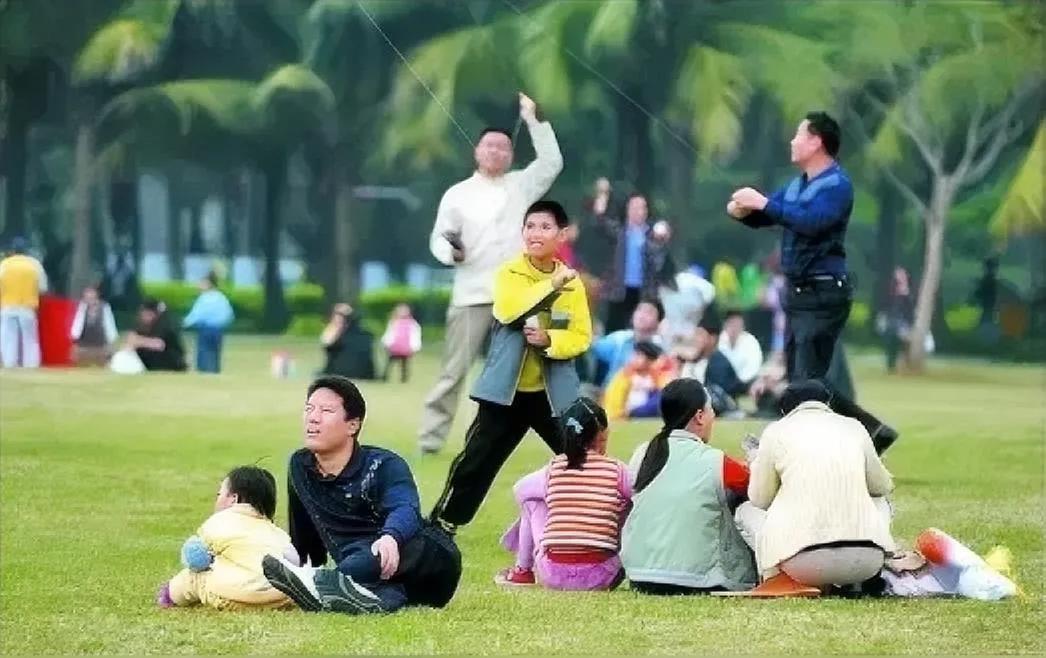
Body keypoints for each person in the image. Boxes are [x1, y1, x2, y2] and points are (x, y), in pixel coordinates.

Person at [727, 110, 898, 453]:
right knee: (805, 381)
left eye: (798, 134)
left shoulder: (837, 185)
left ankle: (785, 450)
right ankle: (871, 432)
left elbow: (811, 222)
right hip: (797, 293)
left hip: (824, 292)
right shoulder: (796, 185)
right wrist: (744, 211)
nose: (792, 141)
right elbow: (772, 213)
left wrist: (761, 202)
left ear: (816, 141)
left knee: (805, 383)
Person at [429, 200, 592, 532]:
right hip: (505, 393)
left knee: (579, 460)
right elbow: (508, 311)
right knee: (476, 461)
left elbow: (581, 336)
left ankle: (590, 527)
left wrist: (551, 341)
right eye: (530, 226)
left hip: (552, 395)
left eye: (545, 227)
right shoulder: (510, 273)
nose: (536, 233)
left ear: (562, 234)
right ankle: (444, 522)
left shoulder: (573, 284)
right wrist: (552, 285)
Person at [419, 92, 563, 455]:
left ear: (511, 155)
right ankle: (431, 440)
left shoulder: (521, 185)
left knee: (513, 375)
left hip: (518, 296)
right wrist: (452, 253)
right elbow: (439, 237)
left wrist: (534, 119)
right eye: (490, 146)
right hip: (472, 292)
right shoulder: (458, 194)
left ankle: (489, 441)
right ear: (477, 151)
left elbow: (551, 162)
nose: (497, 152)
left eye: (503, 147)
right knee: (454, 371)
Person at [262, 376, 461, 614]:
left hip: (423, 560)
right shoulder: (300, 465)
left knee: (369, 558)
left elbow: (405, 507)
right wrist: (292, 560)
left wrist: (391, 537)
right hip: (361, 567)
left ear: (352, 425)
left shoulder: (383, 464)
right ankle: (368, 598)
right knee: (359, 566)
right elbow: (305, 537)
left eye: (326, 410)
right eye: (309, 409)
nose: (313, 417)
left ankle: (322, 584)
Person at [734, 380, 895, 597]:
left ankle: (777, 579)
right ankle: (855, 583)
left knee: (745, 511)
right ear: (827, 403)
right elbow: (883, 486)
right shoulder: (854, 427)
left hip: (804, 564)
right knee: (880, 501)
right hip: (866, 562)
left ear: (784, 410)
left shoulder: (776, 431)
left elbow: (760, 499)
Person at [621, 379, 757, 594]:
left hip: (641, 576)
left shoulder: (642, 454)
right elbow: (757, 489)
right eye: (711, 409)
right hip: (698, 580)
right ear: (700, 416)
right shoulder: (717, 461)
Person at [496, 398, 631, 590]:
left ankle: (522, 571)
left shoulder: (555, 467)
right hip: (602, 575)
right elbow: (639, 494)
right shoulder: (616, 470)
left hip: (552, 574)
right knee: (628, 503)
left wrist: (562, 499)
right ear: (602, 435)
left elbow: (520, 490)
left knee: (533, 502)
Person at [157, 466, 299, 611]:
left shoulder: (221, 521)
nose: (216, 499)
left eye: (219, 494)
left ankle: (169, 596)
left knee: (194, 577)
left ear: (234, 499)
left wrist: (209, 562)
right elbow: (295, 562)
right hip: (278, 598)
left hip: (233, 596)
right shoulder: (277, 533)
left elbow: (194, 558)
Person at [592, 193, 676, 333]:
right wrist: (602, 196)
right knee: (614, 330)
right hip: (619, 291)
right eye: (634, 207)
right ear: (628, 209)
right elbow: (601, 221)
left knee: (641, 330)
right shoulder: (619, 233)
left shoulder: (652, 235)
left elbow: (661, 260)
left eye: (642, 207)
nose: (638, 211)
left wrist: (662, 237)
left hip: (644, 293)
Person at [590, 300, 662, 388]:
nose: (642, 315)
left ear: (658, 323)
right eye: (639, 310)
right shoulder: (619, 338)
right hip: (609, 396)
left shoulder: (660, 352)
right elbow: (594, 347)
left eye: (649, 312)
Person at [0, 236, 48, 368]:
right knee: (30, 340)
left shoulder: (4, 265)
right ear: (26, 250)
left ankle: (10, 365)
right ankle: (31, 366)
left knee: (8, 339)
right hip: (27, 307)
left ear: (12, 251)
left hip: (7, 306)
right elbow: (43, 288)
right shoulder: (34, 265)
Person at [602, 342, 677, 420]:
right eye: (635, 354)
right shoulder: (625, 375)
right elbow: (614, 400)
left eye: (639, 355)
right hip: (627, 414)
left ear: (649, 360)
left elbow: (667, 393)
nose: (634, 358)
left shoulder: (656, 375)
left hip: (650, 413)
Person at [182, 272, 234, 374]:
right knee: (215, 352)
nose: (199, 286)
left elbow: (196, 315)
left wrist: (183, 323)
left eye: (201, 283)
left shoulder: (204, 298)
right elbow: (229, 315)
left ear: (208, 284)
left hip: (205, 329)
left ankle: (205, 371)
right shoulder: (221, 297)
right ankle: (214, 371)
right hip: (218, 330)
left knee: (204, 352)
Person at [125, 298, 186, 372]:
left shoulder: (165, 324)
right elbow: (130, 340)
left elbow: (159, 344)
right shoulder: (141, 324)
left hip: (170, 362)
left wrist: (139, 341)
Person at [321, 304, 376, 380]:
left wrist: (335, 327)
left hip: (340, 373)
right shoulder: (367, 334)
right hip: (364, 375)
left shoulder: (337, 335)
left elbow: (326, 343)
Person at [70, 284, 118, 366]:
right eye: (87, 294)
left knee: (108, 354)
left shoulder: (104, 307)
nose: (89, 296)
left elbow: (110, 328)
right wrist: (75, 343)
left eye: (91, 293)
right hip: (84, 346)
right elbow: (75, 330)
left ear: (96, 294)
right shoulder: (82, 307)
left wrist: (110, 345)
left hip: (101, 346)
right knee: (74, 353)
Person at [878, 267, 914, 372]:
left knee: (904, 344)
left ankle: (905, 365)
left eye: (902, 275)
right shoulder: (891, 291)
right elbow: (885, 305)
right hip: (891, 321)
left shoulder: (909, 292)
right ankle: (891, 365)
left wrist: (905, 294)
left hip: (904, 322)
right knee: (891, 343)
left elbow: (910, 310)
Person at [718, 310, 764, 392]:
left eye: (738, 324)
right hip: (722, 382)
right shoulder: (718, 341)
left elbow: (754, 366)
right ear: (725, 325)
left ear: (743, 326)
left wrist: (740, 380)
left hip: (745, 382)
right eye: (732, 324)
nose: (735, 328)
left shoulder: (750, 341)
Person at [381, 303, 422, 383]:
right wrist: (386, 342)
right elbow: (390, 333)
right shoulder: (394, 322)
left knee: (404, 365)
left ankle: (404, 378)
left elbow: (415, 335)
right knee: (389, 363)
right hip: (394, 348)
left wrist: (415, 346)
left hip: (405, 349)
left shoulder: (413, 324)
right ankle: (384, 377)